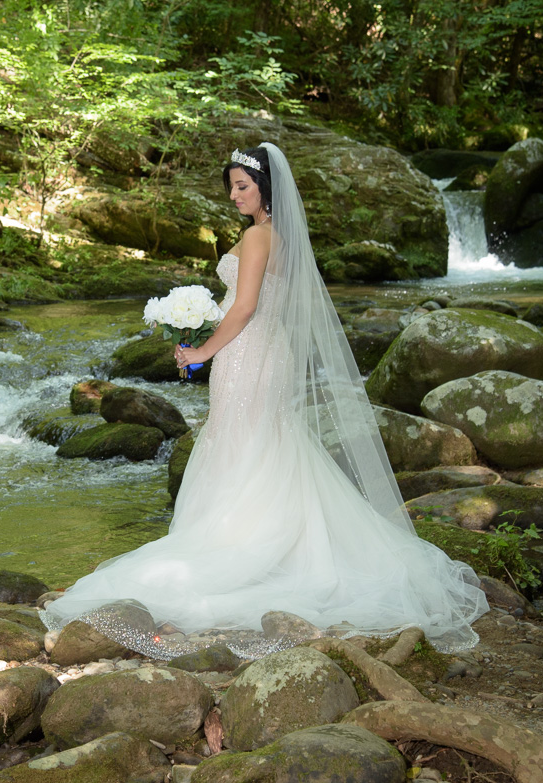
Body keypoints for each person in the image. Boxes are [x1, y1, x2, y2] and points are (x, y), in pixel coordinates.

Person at [41, 142, 488, 659]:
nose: (233, 195)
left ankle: (242, 547)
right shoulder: (283, 238)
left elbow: (247, 305)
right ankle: (274, 542)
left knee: (241, 438)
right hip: (265, 352)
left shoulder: (257, 236)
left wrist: (203, 348)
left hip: (246, 352)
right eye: (231, 186)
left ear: (266, 189)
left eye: (243, 186)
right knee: (267, 440)